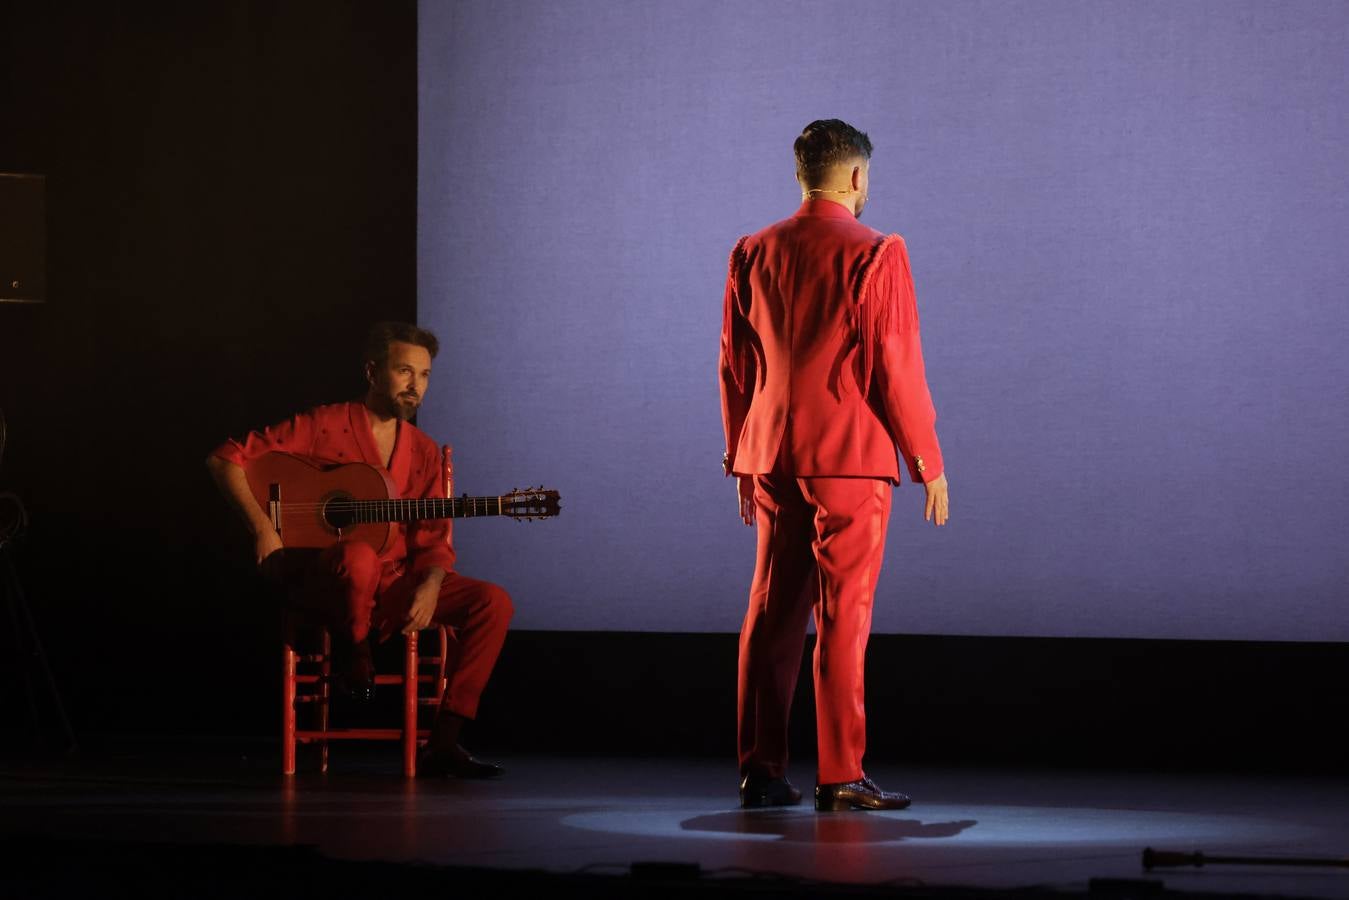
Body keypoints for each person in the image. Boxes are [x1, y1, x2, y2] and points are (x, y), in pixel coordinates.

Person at [720, 119, 950, 811]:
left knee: (770, 610)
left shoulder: (751, 250)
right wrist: (927, 458)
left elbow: (736, 364)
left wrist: (738, 453)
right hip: (848, 455)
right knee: (842, 612)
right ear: (855, 178)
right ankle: (840, 773)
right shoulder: (875, 251)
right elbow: (894, 363)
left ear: (801, 175)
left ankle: (760, 769)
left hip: (768, 453)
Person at [206, 321, 512, 778]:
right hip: (327, 582)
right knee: (357, 555)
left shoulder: (424, 452)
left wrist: (431, 584)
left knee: (494, 601)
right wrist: (263, 530)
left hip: (391, 587)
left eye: (425, 376)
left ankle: (445, 740)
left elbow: (432, 541)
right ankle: (357, 652)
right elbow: (224, 458)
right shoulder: (324, 423)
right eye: (405, 372)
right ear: (373, 372)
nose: (416, 386)